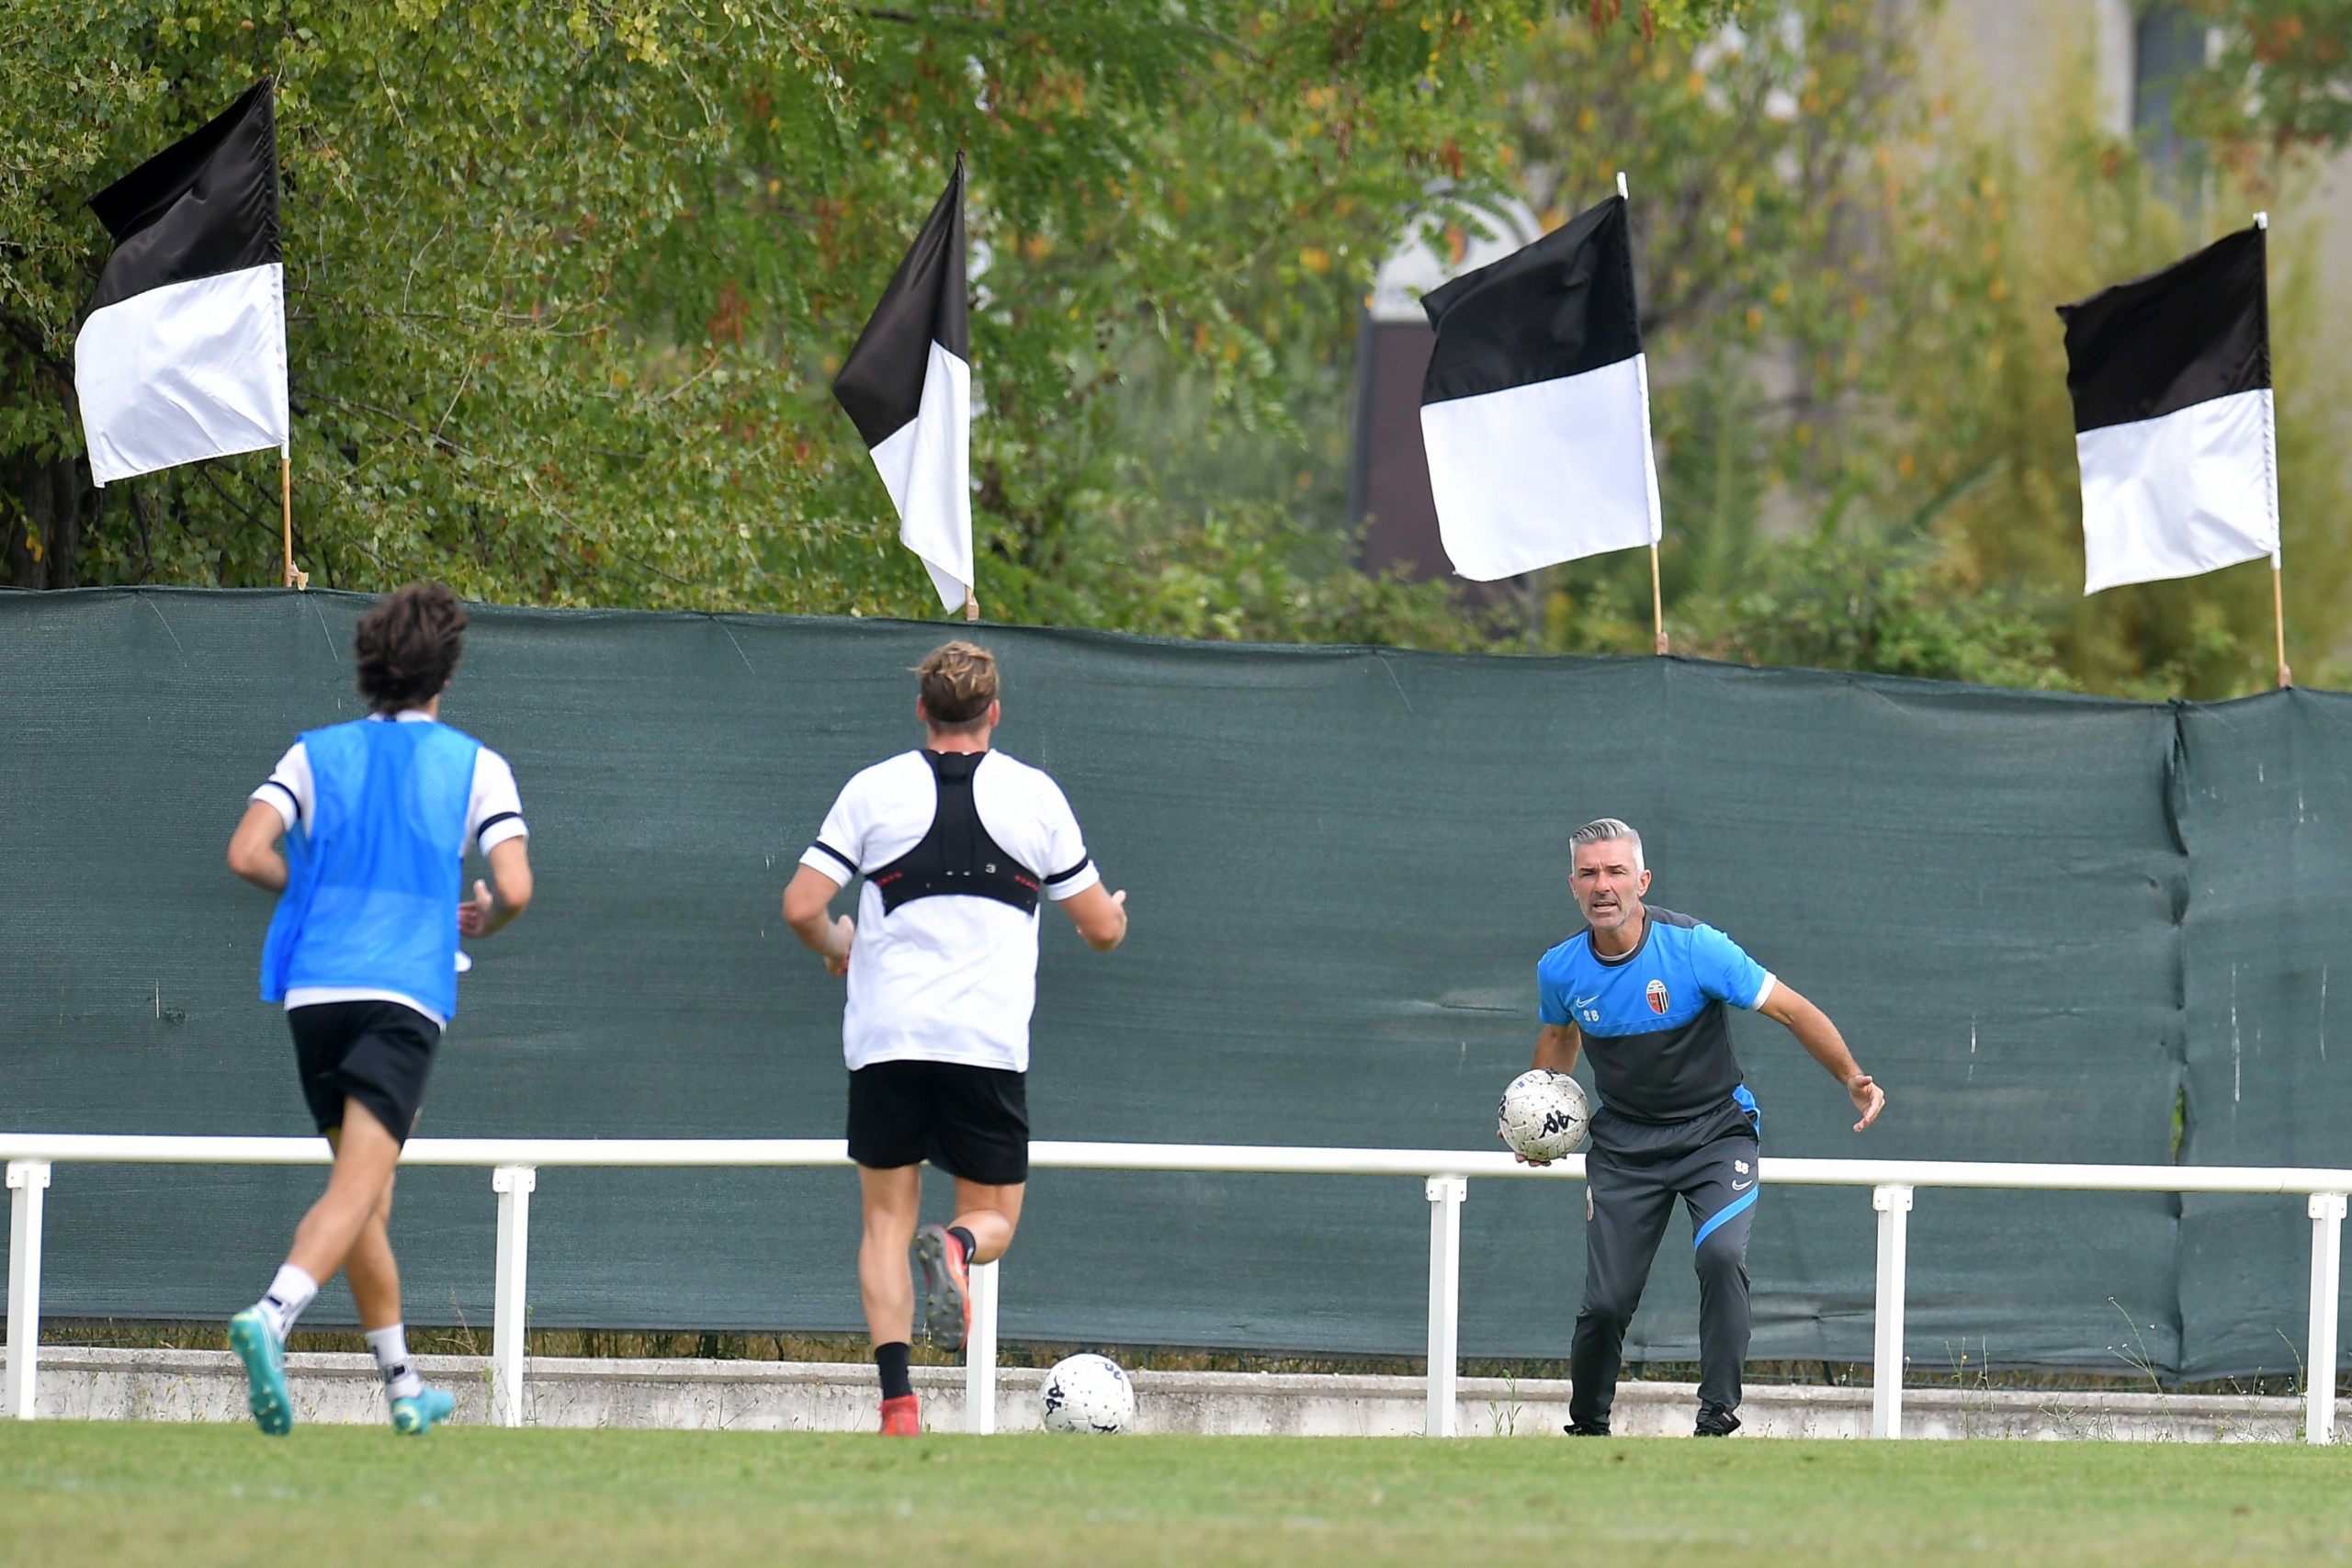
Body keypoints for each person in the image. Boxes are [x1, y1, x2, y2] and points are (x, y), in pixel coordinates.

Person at [783, 640, 1126, 1437]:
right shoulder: (1035, 796)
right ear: (994, 713)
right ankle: (962, 1246)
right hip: (987, 1043)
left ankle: (899, 1406)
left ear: (921, 711)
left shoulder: (873, 789)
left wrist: (839, 946)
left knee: (884, 1224)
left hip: (887, 1039)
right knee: (995, 1215)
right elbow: (1102, 928)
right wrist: (1117, 915)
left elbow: (804, 904)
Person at [223, 581, 533, 1436]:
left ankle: (402, 1385)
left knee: (370, 1197)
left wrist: (319, 890)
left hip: (312, 991)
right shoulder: (476, 764)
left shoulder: (311, 752)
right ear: (446, 673)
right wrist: (485, 913)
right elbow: (514, 886)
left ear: (366, 670)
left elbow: (247, 851)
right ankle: (272, 1314)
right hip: (402, 992)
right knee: (359, 1183)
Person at [1518, 818, 1883, 1438]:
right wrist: (1540, 1123)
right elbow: (1558, 1038)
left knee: (1719, 1255)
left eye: (1615, 871)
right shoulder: (1561, 969)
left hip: (1716, 1135)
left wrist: (1853, 1077)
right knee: (1605, 1302)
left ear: (1643, 879)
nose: (1603, 884)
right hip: (1625, 1147)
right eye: (1589, 873)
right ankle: (1586, 1430)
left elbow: (1791, 1008)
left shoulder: (1695, 948)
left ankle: (1717, 1417)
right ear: (1572, 886)